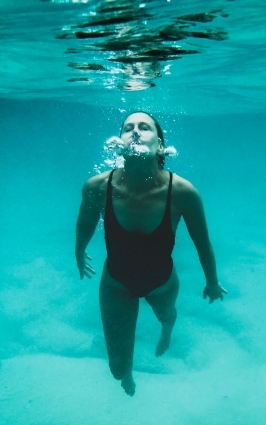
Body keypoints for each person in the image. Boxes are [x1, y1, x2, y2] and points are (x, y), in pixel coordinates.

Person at [75, 111, 226, 396]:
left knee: (166, 315)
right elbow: (85, 222)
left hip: (162, 283)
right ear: (117, 142)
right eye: (127, 127)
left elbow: (202, 242)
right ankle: (127, 375)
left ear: (160, 144)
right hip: (115, 285)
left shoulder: (182, 191)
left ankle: (167, 330)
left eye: (144, 127)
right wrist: (79, 251)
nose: (134, 131)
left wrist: (212, 281)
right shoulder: (96, 187)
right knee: (117, 369)